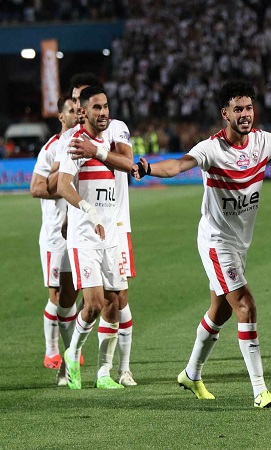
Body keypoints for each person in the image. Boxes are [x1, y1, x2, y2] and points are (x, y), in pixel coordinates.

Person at [132, 80, 271, 408]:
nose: (245, 114)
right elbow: (178, 164)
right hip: (216, 241)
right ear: (225, 113)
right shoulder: (211, 149)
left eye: (249, 107)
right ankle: (260, 391)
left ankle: (191, 374)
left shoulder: (264, 142)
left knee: (220, 310)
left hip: (239, 244)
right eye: (238, 109)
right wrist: (149, 167)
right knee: (246, 305)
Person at [48, 73, 137, 387]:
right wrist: (87, 209)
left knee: (114, 302)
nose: (103, 112)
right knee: (95, 303)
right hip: (85, 235)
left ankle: (104, 373)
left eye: (106, 106)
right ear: (82, 111)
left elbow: (130, 165)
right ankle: (72, 353)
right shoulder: (74, 143)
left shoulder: (108, 143)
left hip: (112, 233)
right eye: (96, 107)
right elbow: (62, 185)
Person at [29, 94, 78, 383]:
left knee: (71, 298)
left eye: (78, 110)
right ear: (61, 116)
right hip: (54, 236)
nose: (76, 114)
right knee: (57, 297)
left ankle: (70, 351)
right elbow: (36, 188)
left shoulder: (83, 144)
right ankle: (53, 353)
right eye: (71, 111)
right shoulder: (51, 149)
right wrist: (63, 184)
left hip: (77, 232)